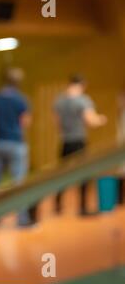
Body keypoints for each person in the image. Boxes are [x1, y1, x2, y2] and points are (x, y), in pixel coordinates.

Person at [0, 67, 34, 227]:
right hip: (16, 143)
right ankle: (22, 219)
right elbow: (25, 121)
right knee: (18, 184)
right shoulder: (21, 99)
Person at [54, 74, 107, 216]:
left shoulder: (59, 100)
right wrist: (101, 119)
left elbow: (57, 122)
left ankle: (57, 205)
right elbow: (90, 120)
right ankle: (83, 207)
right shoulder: (82, 100)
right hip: (78, 141)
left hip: (65, 141)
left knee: (61, 175)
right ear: (82, 85)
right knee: (84, 174)